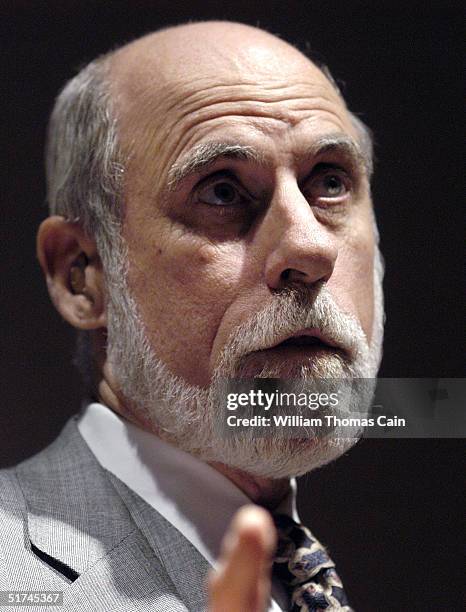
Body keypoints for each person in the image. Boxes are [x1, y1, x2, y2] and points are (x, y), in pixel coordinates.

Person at [0, 21, 384, 611]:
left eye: (329, 183)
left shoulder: (296, 570)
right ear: (83, 274)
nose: (309, 249)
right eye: (223, 192)